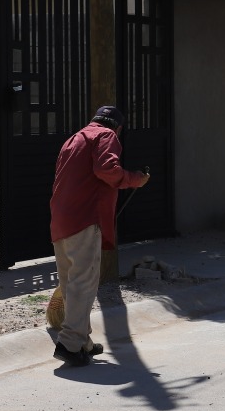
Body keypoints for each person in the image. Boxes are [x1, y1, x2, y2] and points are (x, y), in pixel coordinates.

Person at [48, 105, 149, 365]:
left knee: (71, 284)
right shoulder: (106, 136)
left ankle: (83, 342)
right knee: (84, 283)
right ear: (118, 128)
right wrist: (134, 179)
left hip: (60, 219)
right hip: (85, 218)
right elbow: (107, 170)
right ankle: (70, 345)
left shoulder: (74, 139)